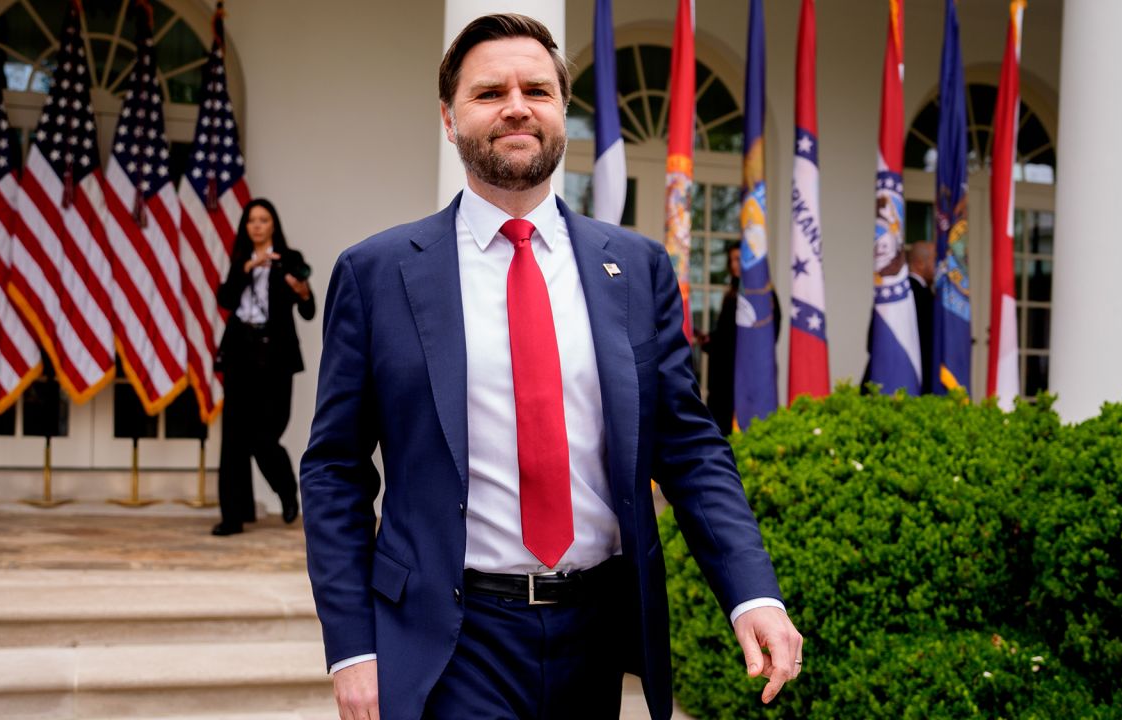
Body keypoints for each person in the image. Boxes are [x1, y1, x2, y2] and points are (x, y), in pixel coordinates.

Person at [301, 14, 801, 720]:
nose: (515, 106)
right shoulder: (377, 274)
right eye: (488, 93)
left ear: (562, 112)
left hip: (595, 633)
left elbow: (689, 448)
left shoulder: (637, 268)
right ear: (448, 119)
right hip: (453, 637)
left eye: (536, 89)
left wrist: (753, 592)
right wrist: (352, 647)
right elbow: (335, 471)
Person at [212, 198, 315, 537]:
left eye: (263, 219)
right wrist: (246, 270)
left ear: (273, 225)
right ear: (245, 226)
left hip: (276, 357)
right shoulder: (240, 260)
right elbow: (226, 300)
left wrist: (301, 291)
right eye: (251, 220)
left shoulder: (289, 259)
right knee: (233, 440)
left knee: (265, 434)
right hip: (241, 351)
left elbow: (309, 309)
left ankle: (286, 490)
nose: (257, 225)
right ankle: (234, 515)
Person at [699, 244, 782, 436]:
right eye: (732, 260)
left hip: (747, 374)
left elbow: (768, 336)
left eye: (739, 259)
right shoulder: (732, 293)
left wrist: (716, 344)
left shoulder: (763, 295)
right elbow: (726, 336)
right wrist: (710, 341)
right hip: (724, 377)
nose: (735, 265)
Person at [907, 241, 935, 395]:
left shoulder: (901, 291)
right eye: (934, 260)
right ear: (919, 263)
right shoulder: (920, 295)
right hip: (917, 379)